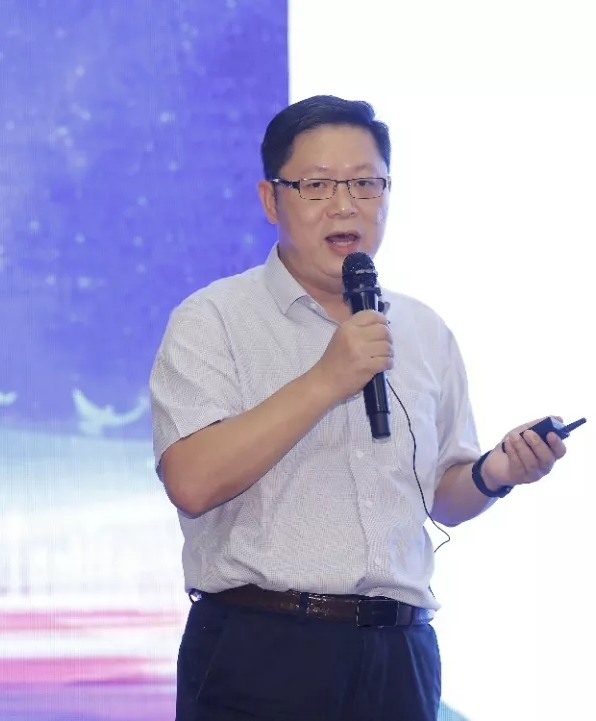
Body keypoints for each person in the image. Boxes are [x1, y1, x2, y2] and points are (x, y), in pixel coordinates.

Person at [149, 95, 568, 721]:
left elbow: (442, 497)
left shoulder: (423, 331)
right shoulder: (213, 320)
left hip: (400, 654)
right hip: (262, 650)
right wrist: (327, 379)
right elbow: (192, 481)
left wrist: (497, 472)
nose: (344, 205)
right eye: (317, 185)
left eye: (365, 184)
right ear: (271, 200)